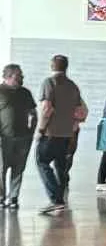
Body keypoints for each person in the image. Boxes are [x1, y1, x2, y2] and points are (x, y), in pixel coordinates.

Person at [34, 53, 86, 214]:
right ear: (66, 67)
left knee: (42, 162)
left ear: (52, 66)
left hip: (50, 133)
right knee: (60, 166)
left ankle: (56, 199)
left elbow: (46, 109)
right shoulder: (73, 86)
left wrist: (40, 130)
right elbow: (80, 112)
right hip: (66, 135)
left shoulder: (49, 83)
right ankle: (61, 199)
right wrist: (72, 126)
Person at [0, 63, 36, 211]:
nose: (22, 77)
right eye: (19, 75)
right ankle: (1, 198)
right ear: (8, 76)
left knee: (18, 169)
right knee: (1, 169)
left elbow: (33, 113)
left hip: (23, 138)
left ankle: (14, 197)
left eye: (21, 75)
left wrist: (32, 132)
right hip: (3, 138)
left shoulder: (25, 93)